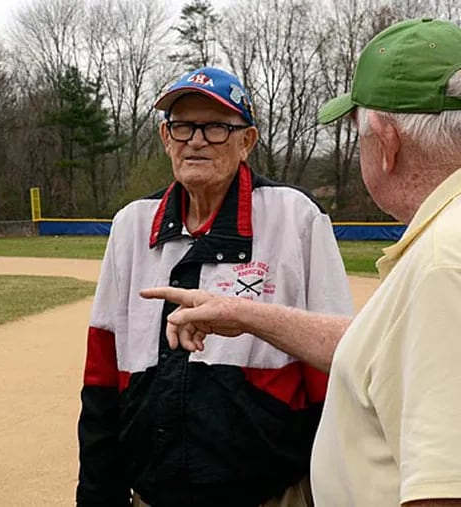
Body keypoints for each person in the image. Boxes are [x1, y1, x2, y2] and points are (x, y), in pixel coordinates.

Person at [141, 18, 461, 506]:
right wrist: (242, 313)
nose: (197, 140)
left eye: (358, 135)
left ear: (387, 142)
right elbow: (371, 348)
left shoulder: (442, 261)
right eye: (183, 127)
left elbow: (444, 489)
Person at [76, 65, 353, 507]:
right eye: (182, 126)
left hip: (270, 492)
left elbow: (335, 369)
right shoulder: (130, 225)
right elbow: (102, 376)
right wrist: (97, 495)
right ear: (166, 139)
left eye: (217, 127)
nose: (197, 140)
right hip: (153, 492)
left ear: (247, 141)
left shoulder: (295, 217)